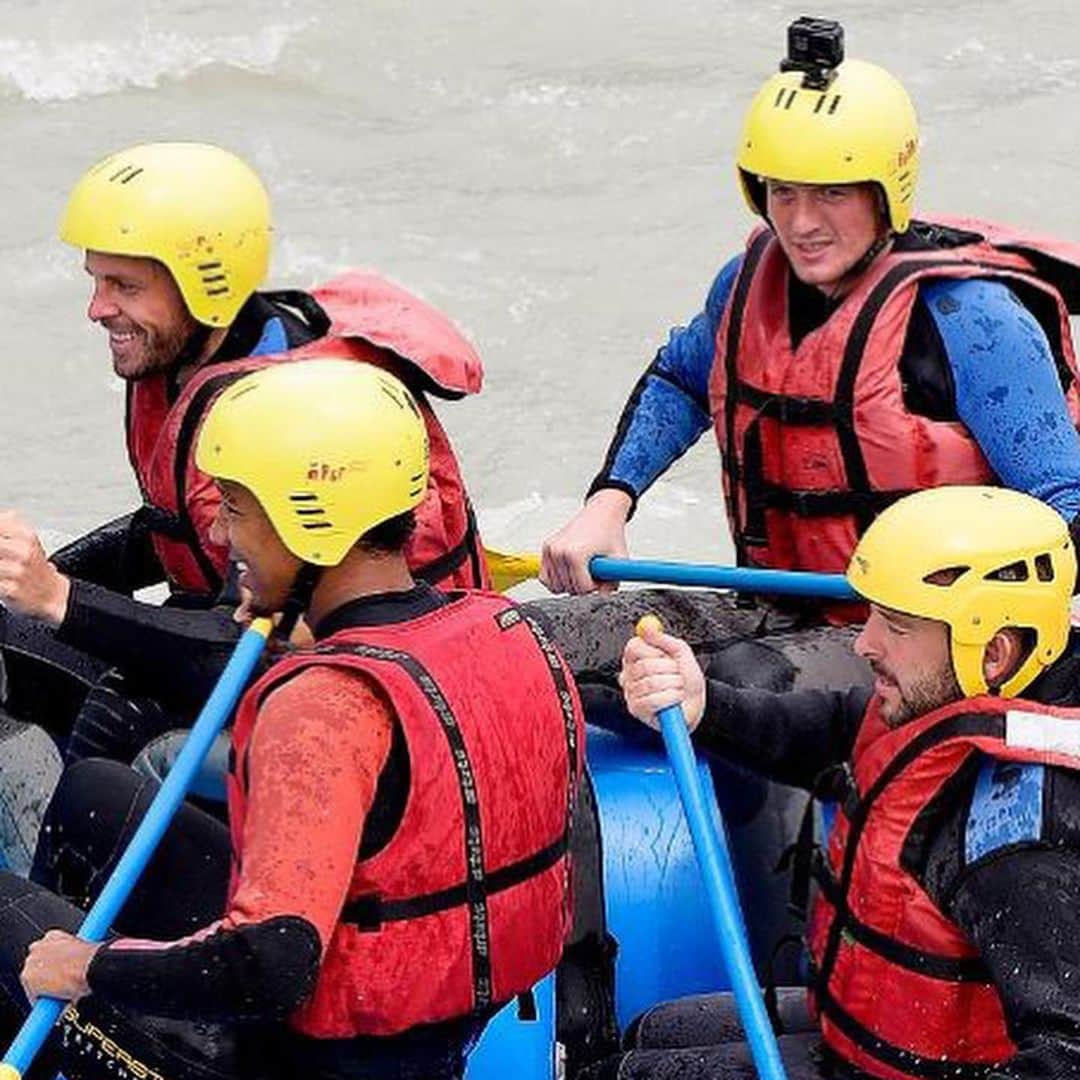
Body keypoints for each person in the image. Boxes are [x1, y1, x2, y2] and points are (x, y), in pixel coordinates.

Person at [0, 359, 584, 1080]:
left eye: (239, 508)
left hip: (285, 1058)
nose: (216, 529)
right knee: (93, 791)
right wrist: (293, 634)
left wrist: (92, 966)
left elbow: (269, 965)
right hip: (425, 1026)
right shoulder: (505, 629)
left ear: (314, 524)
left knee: (8, 918)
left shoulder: (322, 704)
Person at [541, 18, 1080, 607]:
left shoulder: (972, 320)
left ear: (884, 192)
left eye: (831, 193)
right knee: (564, 651)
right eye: (784, 192)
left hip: (921, 645)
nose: (801, 224)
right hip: (772, 614)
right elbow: (680, 382)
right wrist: (608, 502)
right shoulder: (745, 287)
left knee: (713, 686)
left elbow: (1065, 507)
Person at [0, 140, 490, 767]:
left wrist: (60, 597)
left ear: (205, 286)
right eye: (96, 281)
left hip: (377, 678)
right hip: (244, 628)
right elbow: (169, 532)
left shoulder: (295, 413)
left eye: (125, 285)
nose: (97, 309)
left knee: (118, 708)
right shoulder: (189, 357)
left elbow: (249, 641)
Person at [595, 484, 1080, 1080]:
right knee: (656, 1029)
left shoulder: (1019, 844)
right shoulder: (957, 694)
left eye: (896, 627)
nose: (862, 643)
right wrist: (706, 708)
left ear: (995, 651)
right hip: (867, 1022)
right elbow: (836, 728)